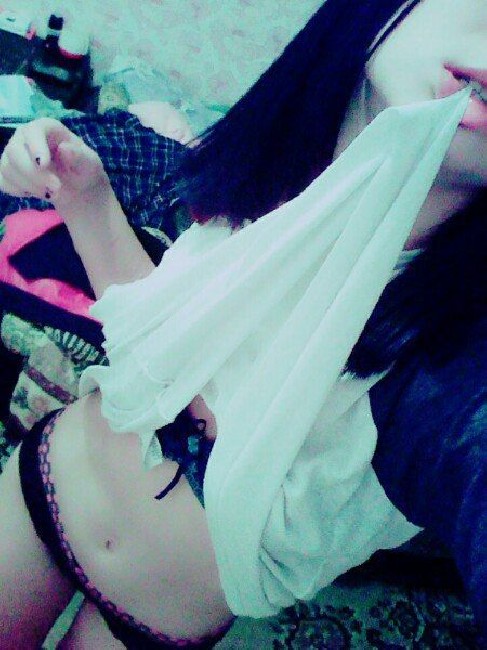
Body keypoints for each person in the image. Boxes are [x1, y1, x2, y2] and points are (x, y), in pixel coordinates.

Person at [0, 1, 485, 648]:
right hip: (42, 490)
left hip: (151, 621)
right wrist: (85, 195)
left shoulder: (454, 367)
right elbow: (154, 344)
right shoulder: (258, 179)